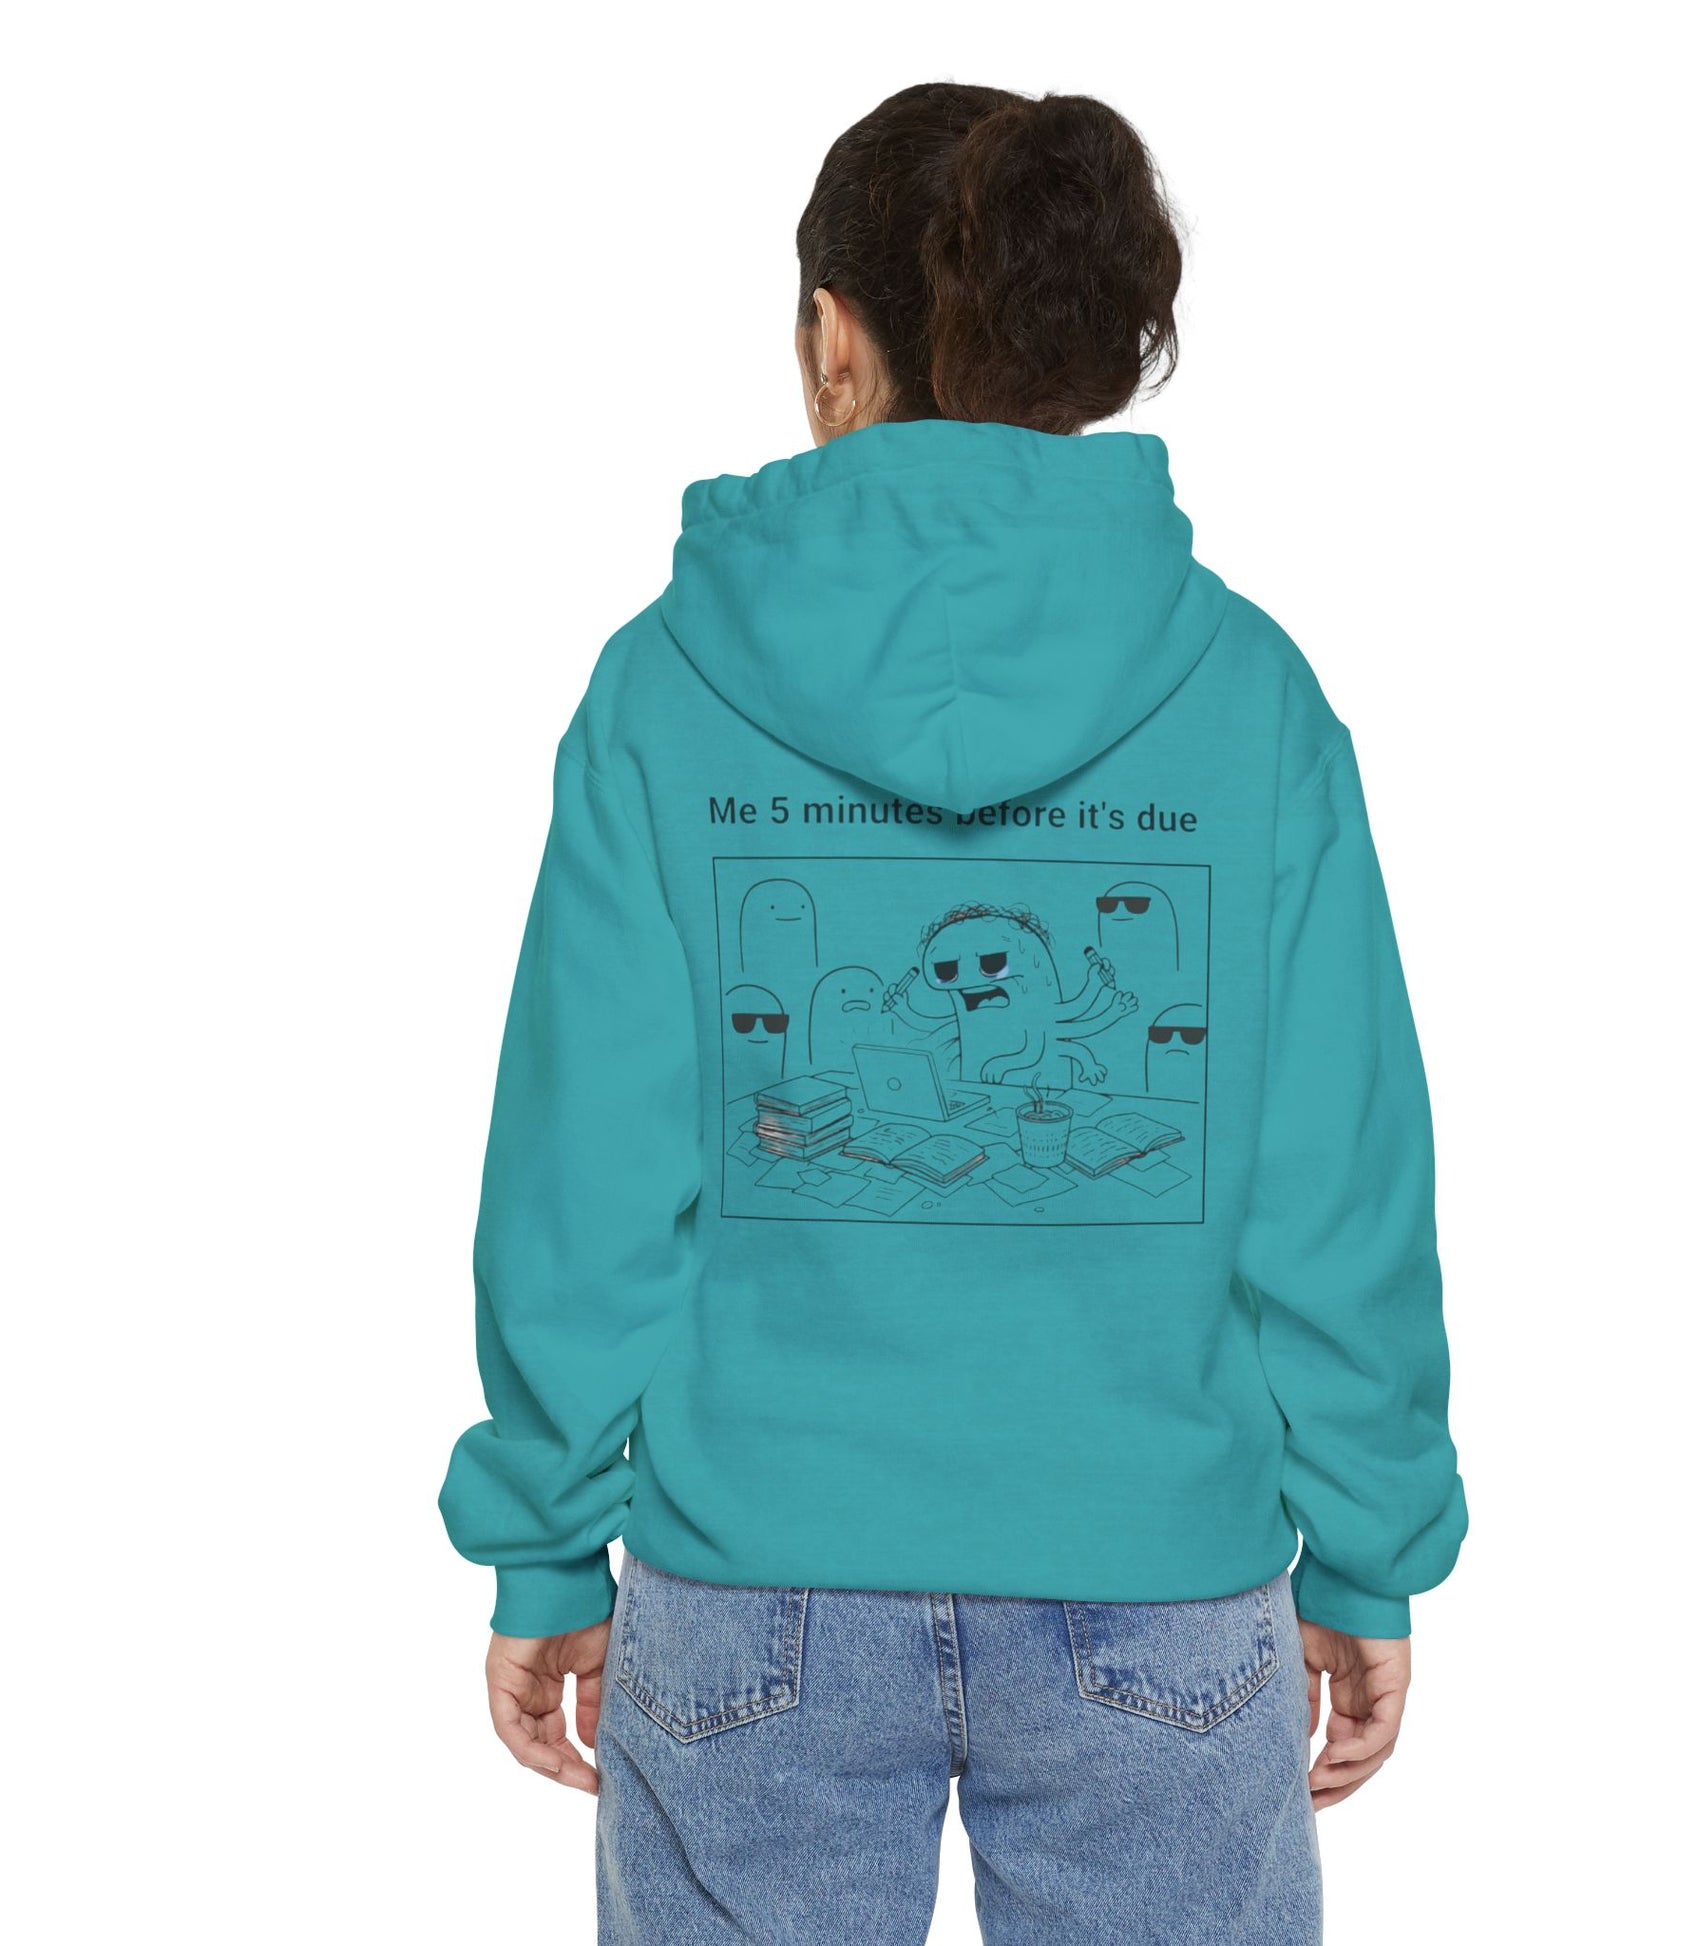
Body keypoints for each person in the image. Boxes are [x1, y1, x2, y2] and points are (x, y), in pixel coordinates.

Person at [440, 81, 1465, 1946]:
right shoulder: (1247, 696)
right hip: (1160, 1570)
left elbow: (585, 1170)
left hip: (750, 1576)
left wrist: (542, 1535)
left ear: (831, 343)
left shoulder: (662, 690)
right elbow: (1336, 1176)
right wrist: (1370, 1538)